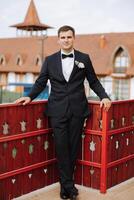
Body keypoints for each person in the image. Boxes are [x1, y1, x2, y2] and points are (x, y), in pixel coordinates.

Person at [15, 25, 111, 200]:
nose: (66, 40)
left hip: (77, 110)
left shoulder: (84, 58)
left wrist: (104, 96)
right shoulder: (50, 60)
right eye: (63, 37)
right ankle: (68, 187)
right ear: (58, 39)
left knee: (73, 148)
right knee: (61, 148)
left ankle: (66, 187)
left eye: (69, 37)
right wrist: (29, 97)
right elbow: (41, 82)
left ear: (74, 38)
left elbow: (94, 81)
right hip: (57, 110)